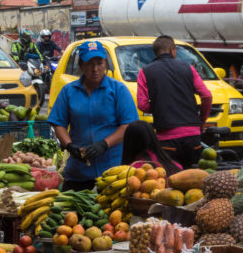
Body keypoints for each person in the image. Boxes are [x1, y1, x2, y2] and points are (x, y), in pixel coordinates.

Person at [48, 40, 139, 191]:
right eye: (90, 63)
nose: (95, 69)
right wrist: (69, 146)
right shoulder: (69, 92)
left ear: (105, 64)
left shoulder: (118, 90)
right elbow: (59, 124)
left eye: (100, 63)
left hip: (112, 172)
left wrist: (104, 144)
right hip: (78, 172)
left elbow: (128, 125)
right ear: (81, 65)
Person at [136, 35, 212, 168]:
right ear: (172, 49)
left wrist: (160, 106)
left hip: (167, 139)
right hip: (192, 136)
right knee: (192, 179)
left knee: (171, 179)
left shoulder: (145, 72)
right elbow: (207, 96)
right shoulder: (188, 68)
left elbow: (142, 105)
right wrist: (201, 122)